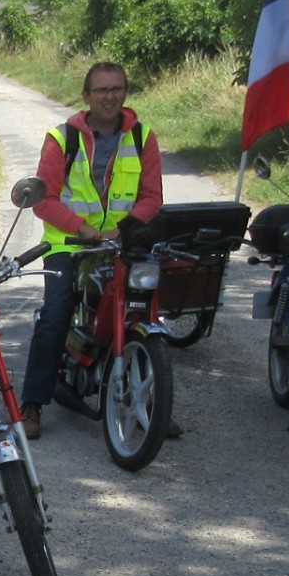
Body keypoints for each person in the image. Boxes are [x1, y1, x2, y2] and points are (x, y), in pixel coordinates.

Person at [19, 60, 170, 439]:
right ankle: (33, 404)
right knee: (55, 314)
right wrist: (86, 230)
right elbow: (44, 200)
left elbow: (152, 196)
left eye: (117, 88)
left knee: (146, 306)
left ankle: (154, 401)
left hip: (122, 241)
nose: (110, 96)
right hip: (68, 244)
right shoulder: (62, 139)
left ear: (125, 93)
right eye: (101, 90)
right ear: (86, 96)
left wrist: (124, 230)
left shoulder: (142, 137)